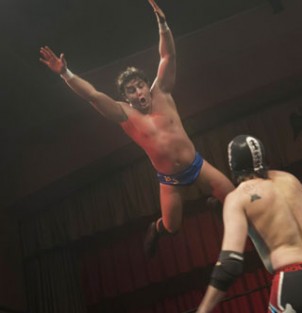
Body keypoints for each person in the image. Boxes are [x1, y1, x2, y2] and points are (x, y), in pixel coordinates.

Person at [39, 0, 234, 257]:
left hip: (196, 165)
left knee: (232, 198)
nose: (139, 92)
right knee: (172, 227)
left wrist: (162, 24)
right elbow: (93, 96)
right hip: (170, 181)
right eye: (131, 90)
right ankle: (156, 227)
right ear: (126, 97)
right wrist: (65, 73)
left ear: (146, 84)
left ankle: (215, 202)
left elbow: (167, 56)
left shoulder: (161, 92)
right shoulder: (124, 114)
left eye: (140, 85)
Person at [197, 135, 302, 313]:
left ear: (234, 165)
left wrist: (203, 309)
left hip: (292, 281)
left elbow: (229, 265)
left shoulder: (238, 198)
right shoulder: (290, 179)